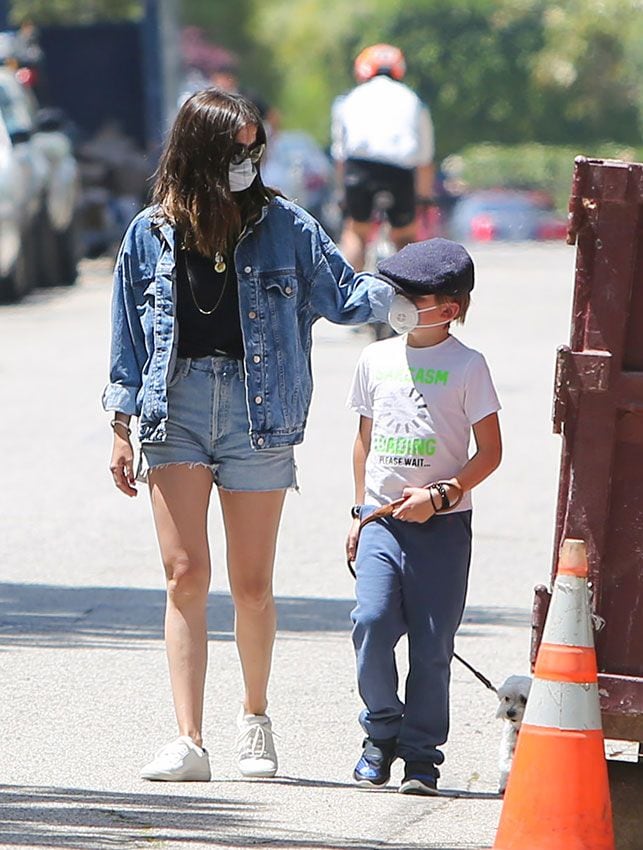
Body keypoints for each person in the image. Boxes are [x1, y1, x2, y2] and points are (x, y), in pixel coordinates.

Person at [102, 88, 392, 782]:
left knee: (252, 583)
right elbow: (126, 340)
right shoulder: (149, 233)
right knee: (184, 576)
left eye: (256, 146)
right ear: (201, 150)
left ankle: (254, 721)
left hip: (258, 413)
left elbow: (346, 295)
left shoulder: (285, 225)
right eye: (238, 147)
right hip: (173, 408)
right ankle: (189, 740)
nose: (251, 159)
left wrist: (417, 290)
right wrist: (120, 427)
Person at [345, 238, 502, 794]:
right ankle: (380, 731)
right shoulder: (375, 358)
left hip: (442, 528)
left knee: (433, 645)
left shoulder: (468, 367)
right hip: (382, 522)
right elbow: (364, 442)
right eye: (397, 293)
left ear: (450, 308)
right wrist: (360, 513)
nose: (400, 303)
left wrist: (441, 495)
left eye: (414, 295)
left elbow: (490, 452)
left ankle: (420, 755)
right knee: (371, 622)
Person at [331, 44, 435, 272]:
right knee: (405, 236)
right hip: (400, 171)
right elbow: (425, 158)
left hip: (360, 169)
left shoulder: (348, 99)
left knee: (357, 232)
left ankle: (348, 294)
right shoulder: (413, 99)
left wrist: (341, 195)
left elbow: (340, 155)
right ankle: (412, 293)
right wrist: (425, 198)